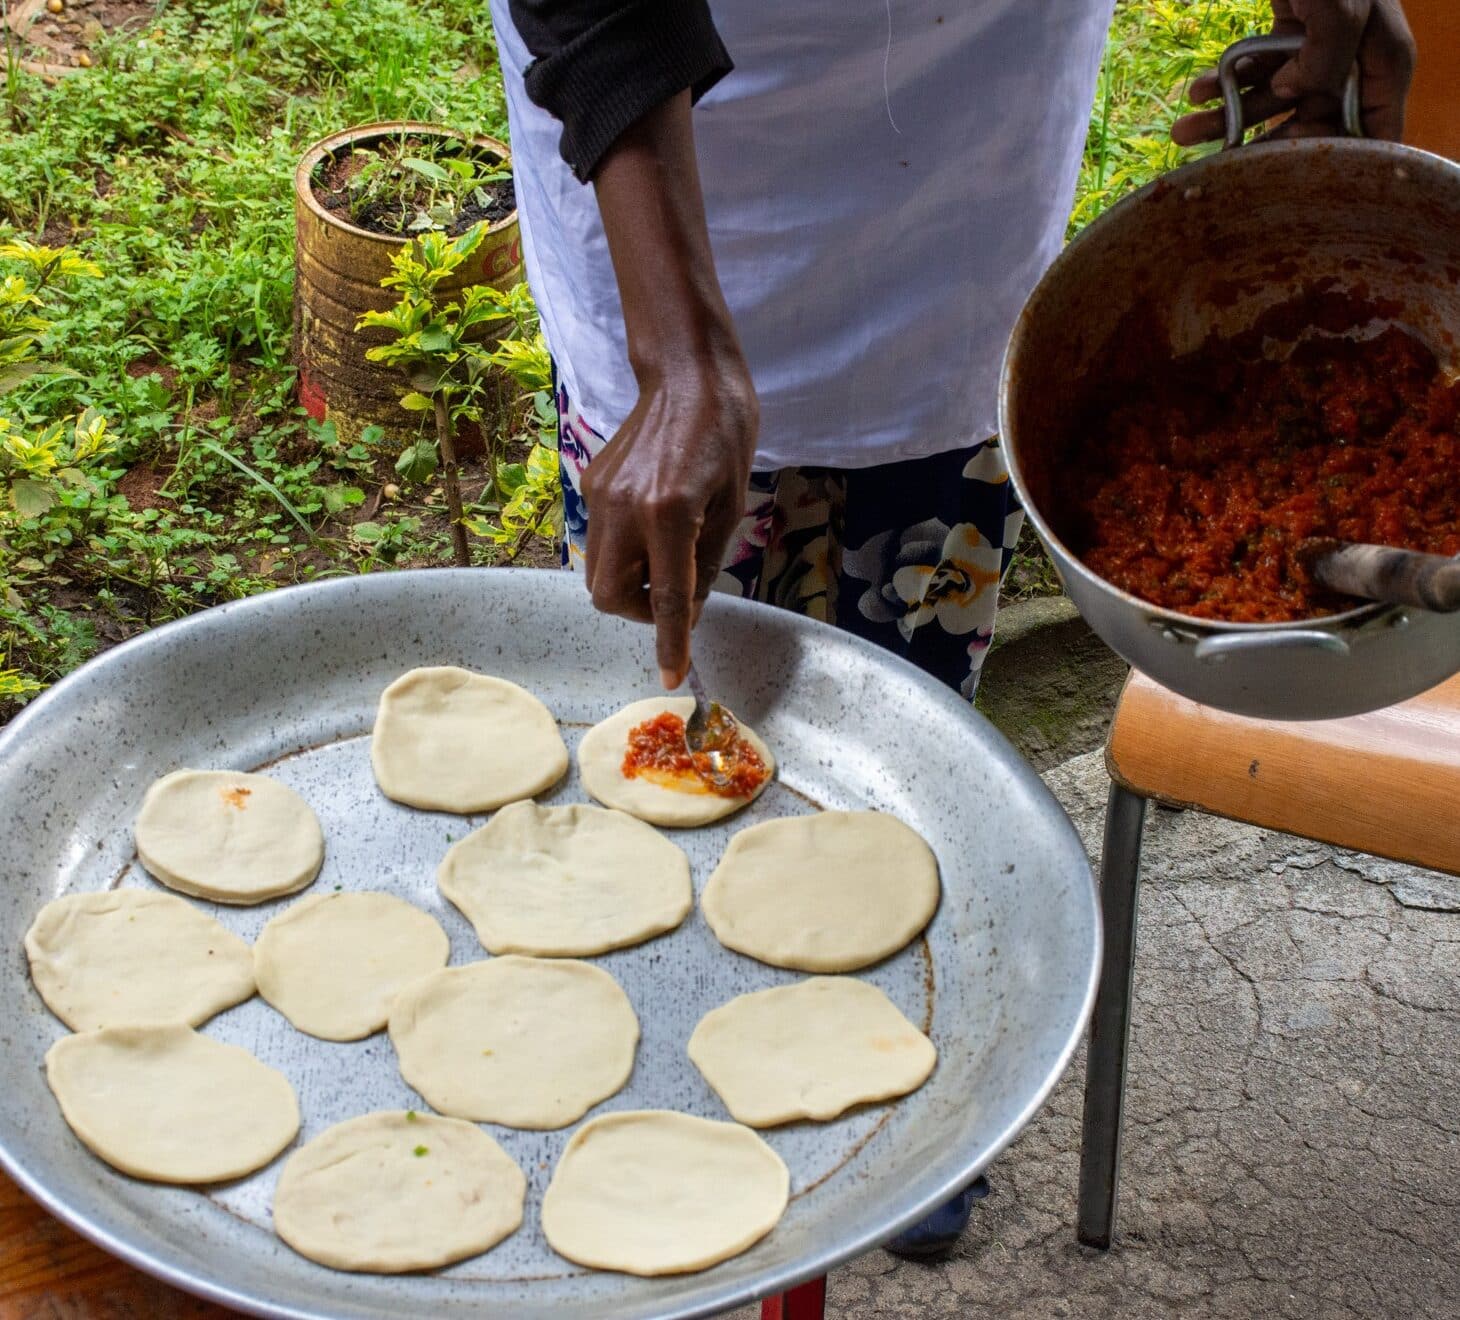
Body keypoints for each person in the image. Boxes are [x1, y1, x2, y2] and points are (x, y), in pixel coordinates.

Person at [490, 0, 1415, 1258]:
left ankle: (883, 1073)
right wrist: (681, 350)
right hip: (653, 170)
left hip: (964, 151)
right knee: (666, 707)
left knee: (907, 731)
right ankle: (646, 1064)